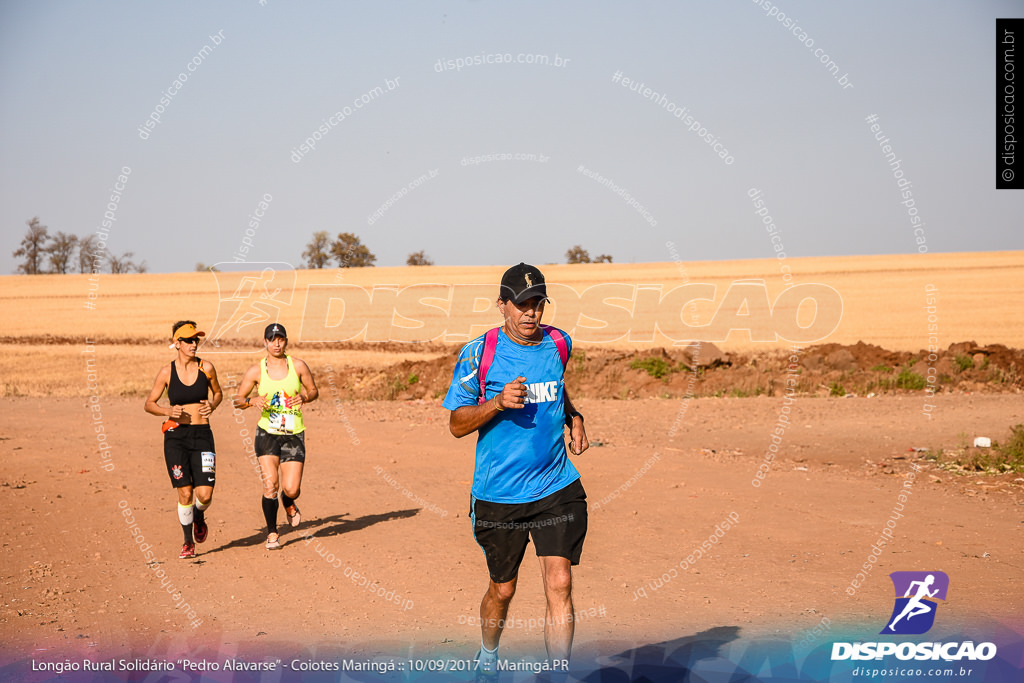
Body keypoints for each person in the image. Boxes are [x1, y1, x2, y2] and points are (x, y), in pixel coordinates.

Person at [443, 263, 590, 675]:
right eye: (521, 304)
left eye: (537, 304)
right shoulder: (480, 352)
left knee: (559, 582)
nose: (531, 313)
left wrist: (574, 418)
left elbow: (558, 390)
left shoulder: (559, 343)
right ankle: (488, 655)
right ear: (502, 305)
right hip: (499, 494)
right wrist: (496, 403)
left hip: (555, 485)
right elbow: (456, 425)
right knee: (503, 590)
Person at [233, 323, 318, 550]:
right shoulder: (255, 371)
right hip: (267, 434)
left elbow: (313, 390)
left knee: (291, 488)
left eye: (280, 339)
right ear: (265, 342)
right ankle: (272, 533)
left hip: (293, 434)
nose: (276, 343)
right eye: (272, 339)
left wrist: (305, 397)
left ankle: (288, 501)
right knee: (270, 484)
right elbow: (237, 400)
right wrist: (253, 401)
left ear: (286, 341)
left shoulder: (298, 366)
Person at [144, 321, 223, 559]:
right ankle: (188, 541)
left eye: (196, 340)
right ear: (176, 343)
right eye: (188, 340)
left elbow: (218, 392)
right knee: (185, 493)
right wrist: (167, 412)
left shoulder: (206, 367)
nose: (193, 344)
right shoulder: (166, 372)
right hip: (176, 438)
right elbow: (149, 404)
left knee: (205, 495)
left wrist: (213, 403)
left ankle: (198, 515)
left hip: (202, 436)